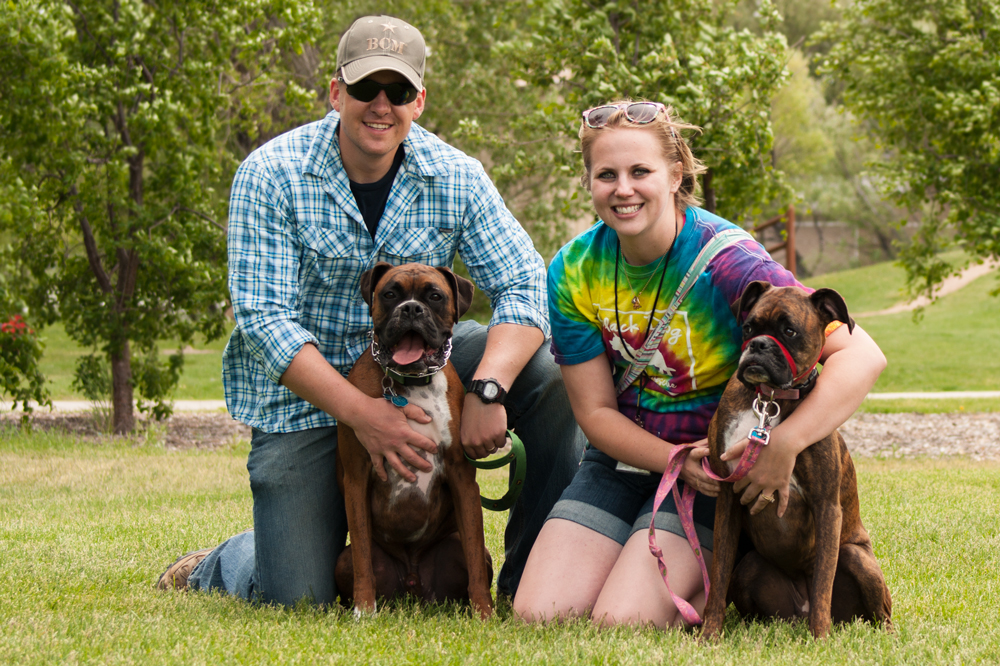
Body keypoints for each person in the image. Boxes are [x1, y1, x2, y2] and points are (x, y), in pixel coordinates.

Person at [156, 15, 586, 607]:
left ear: (419, 101)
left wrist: (488, 390)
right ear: (336, 92)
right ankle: (227, 559)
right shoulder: (271, 173)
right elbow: (263, 320)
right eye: (365, 89)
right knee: (299, 596)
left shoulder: (456, 175)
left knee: (552, 377)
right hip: (304, 397)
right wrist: (365, 413)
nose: (381, 105)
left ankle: (526, 578)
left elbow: (524, 285)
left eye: (399, 91)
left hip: (425, 358)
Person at [512, 101, 886, 628]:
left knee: (622, 621)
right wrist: (670, 457)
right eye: (606, 175)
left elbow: (864, 355)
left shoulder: (729, 261)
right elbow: (595, 412)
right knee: (538, 613)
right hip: (622, 464)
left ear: (675, 174)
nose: (624, 189)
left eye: (640, 171)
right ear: (589, 181)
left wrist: (783, 444)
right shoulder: (573, 269)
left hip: (716, 475)